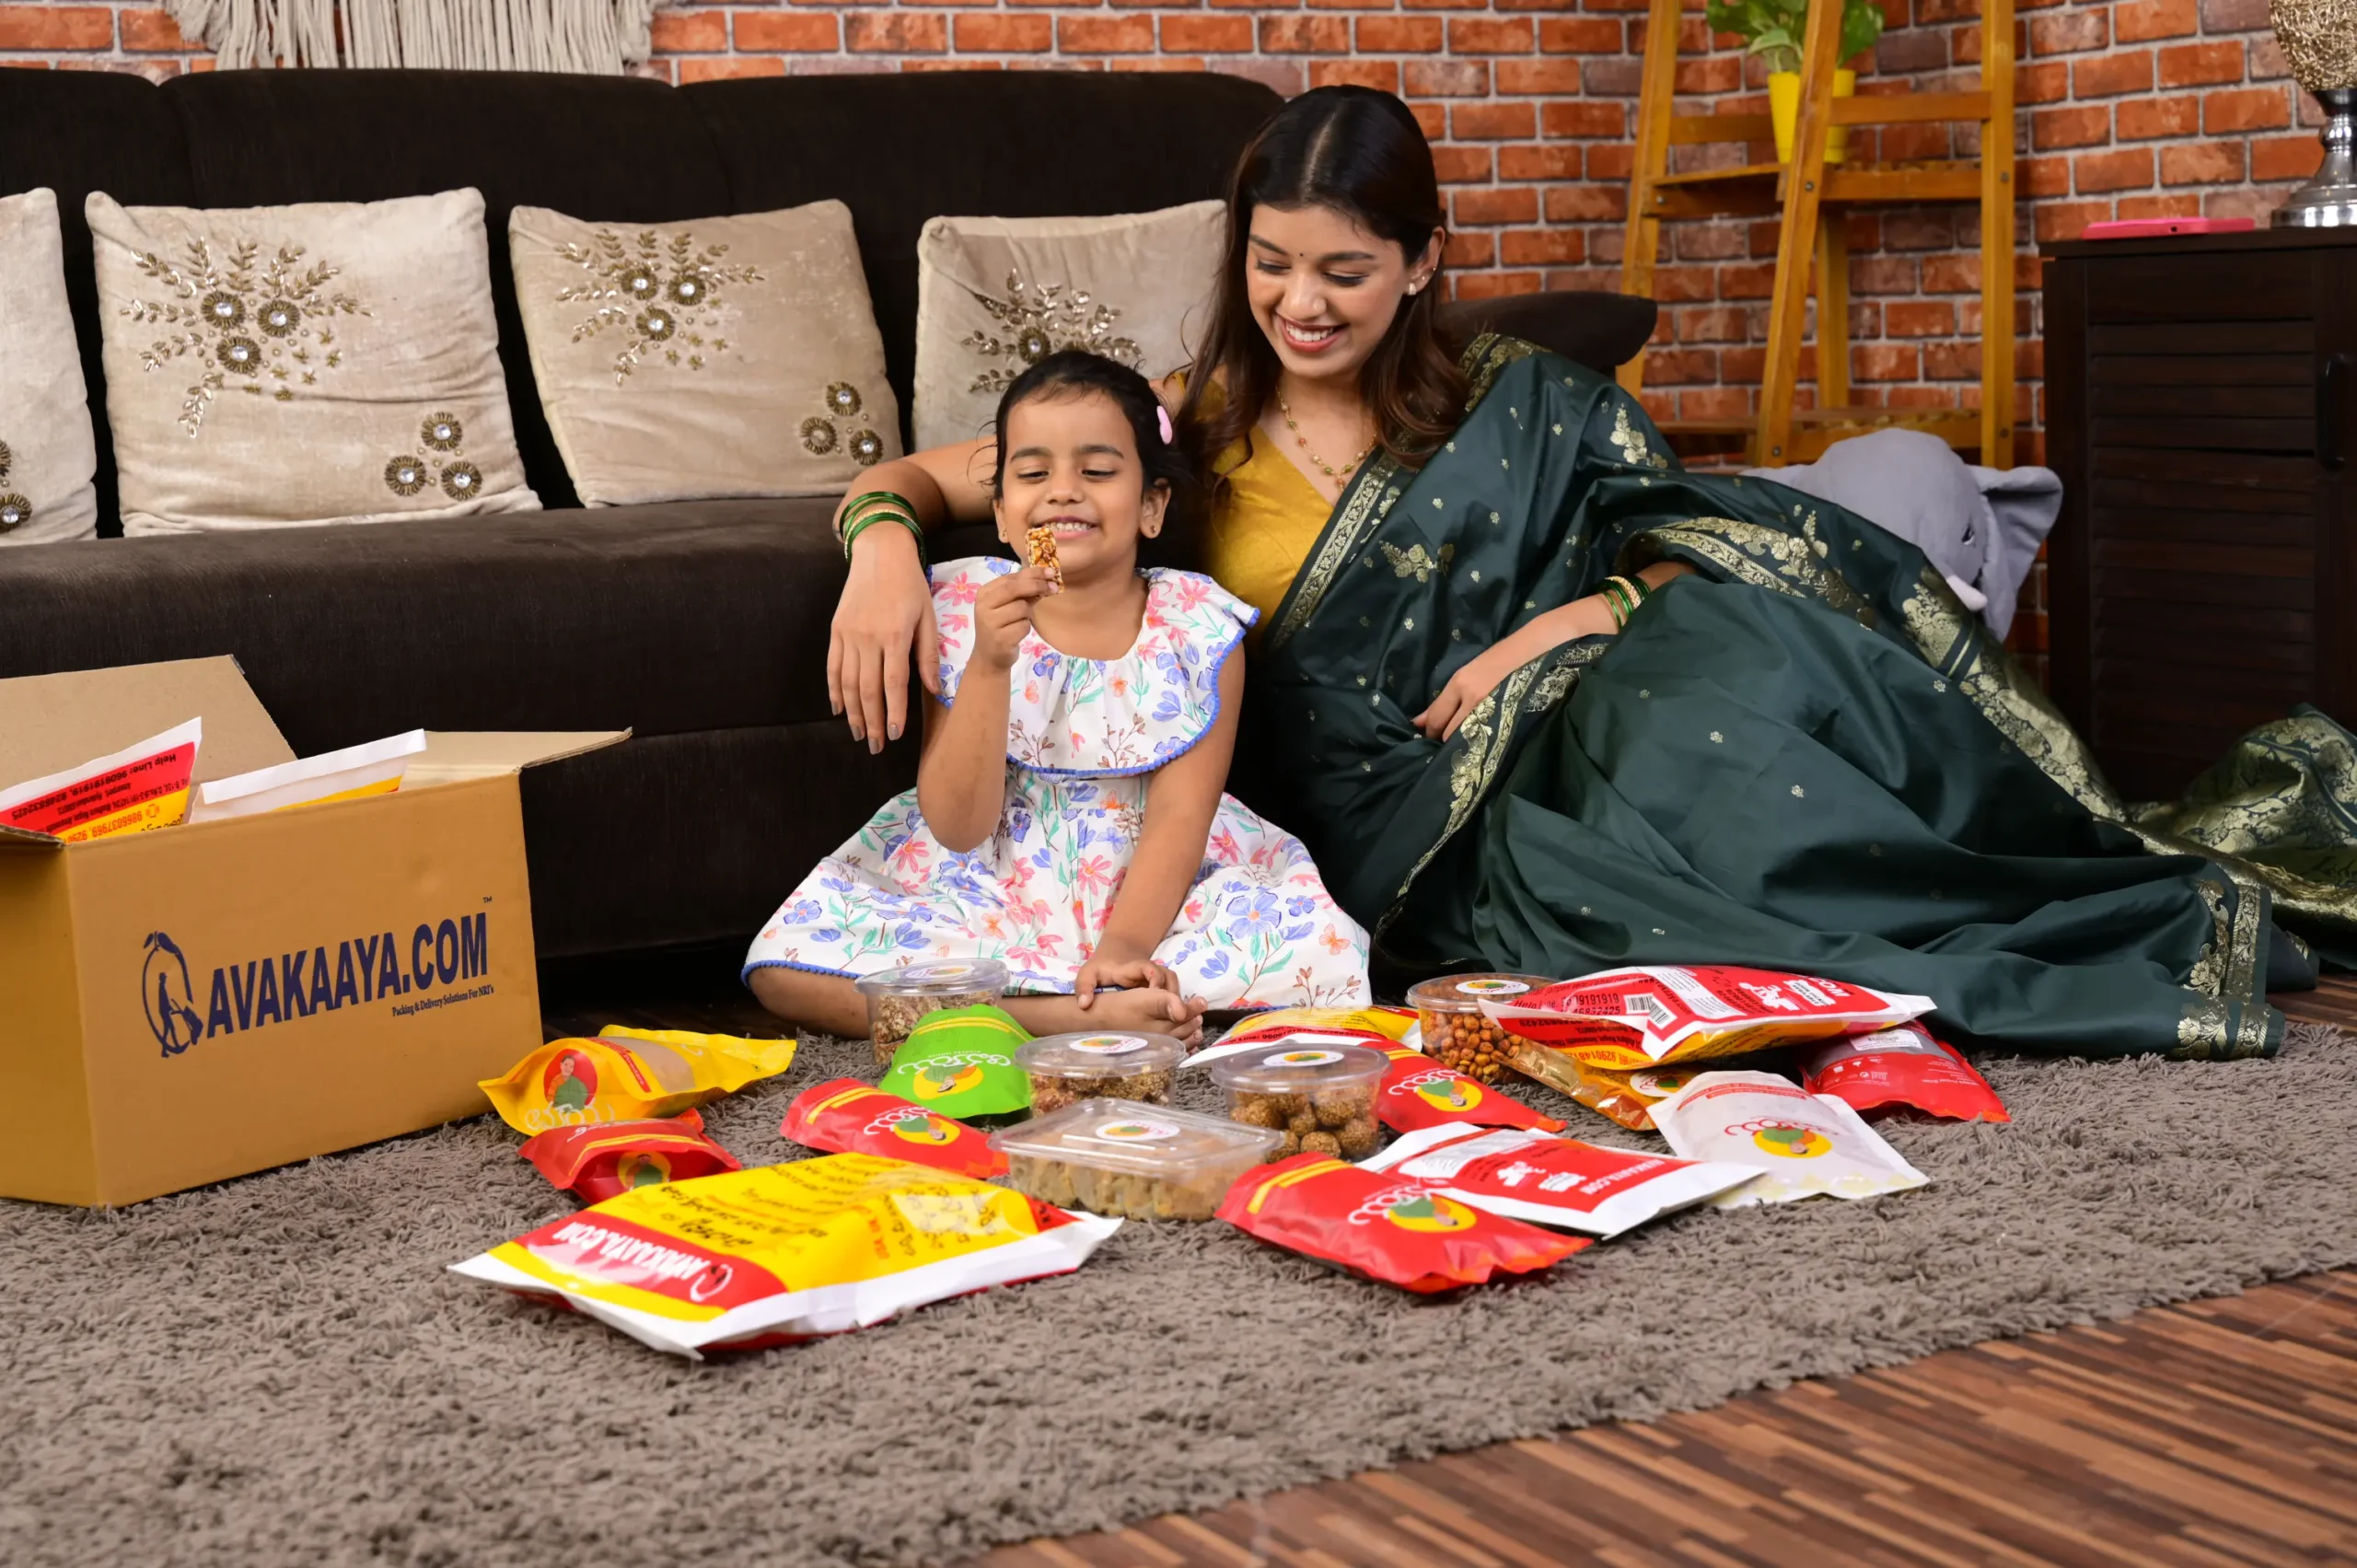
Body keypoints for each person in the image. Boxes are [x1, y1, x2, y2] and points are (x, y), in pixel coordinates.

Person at [825, 86, 2357, 1061]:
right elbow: (926, 473)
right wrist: (884, 553)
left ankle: (2029, 866)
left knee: (1739, 651)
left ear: (1421, 263)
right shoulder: (1173, 427)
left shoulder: (1511, 394)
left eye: (1345, 271)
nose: (1302, 302)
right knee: (1669, 829)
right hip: (1403, 818)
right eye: (1272, 263)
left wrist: (1564, 619)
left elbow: (1677, 527)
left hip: (1563, 710)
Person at [749, 351, 1372, 1041]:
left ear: (1152, 506)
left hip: (1149, 888)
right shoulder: (962, 611)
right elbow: (958, 826)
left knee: (1323, 953)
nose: (1064, 490)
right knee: (787, 972)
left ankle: (1107, 996)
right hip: (990, 881)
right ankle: (1056, 1017)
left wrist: (1123, 953)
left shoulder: (1198, 627)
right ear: (1002, 514)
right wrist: (989, 664)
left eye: (1098, 471)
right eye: (1034, 472)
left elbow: (1178, 819)